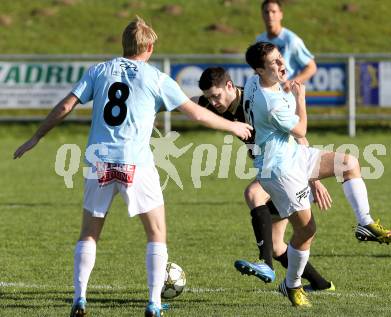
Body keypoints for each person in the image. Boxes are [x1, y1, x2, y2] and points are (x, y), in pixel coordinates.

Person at [13, 17, 252, 317]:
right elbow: (199, 116)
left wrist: (36, 136)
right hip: (135, 162)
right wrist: (234, 128)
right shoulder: (157, 78)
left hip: (99, 161)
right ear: (150, 47)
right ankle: (153, 303)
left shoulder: (99, 70)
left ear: (123, 45)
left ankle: (79, 299)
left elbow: (65, 106)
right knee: (156, 234)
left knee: (89, 233)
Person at [243, 42, 391, 307]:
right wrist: (300, 99)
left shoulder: (252, 82)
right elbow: (301, 129)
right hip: (281, 171)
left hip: (293, 155)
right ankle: (291, 286)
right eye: (274, 63)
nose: (282, 64)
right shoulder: (270, 104)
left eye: (280, 58)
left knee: (348, 163)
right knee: (307, 231)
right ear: (259, 70)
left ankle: (365, 223)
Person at [196, 66, 334, 292]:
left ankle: (265, 265)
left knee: (253, 193)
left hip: (286, 170)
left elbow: (298, 135)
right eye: (209, 98)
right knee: (278, 246)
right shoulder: (217, 103)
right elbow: (188, 103)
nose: (213, 103)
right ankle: (320, 284)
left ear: (230, 86)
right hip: (272, 175)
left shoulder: (256, 99)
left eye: (216, 96)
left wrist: (314, 179)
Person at [257, 0, 317, 89]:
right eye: (266, 12)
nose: (270, 15)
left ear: (281, 14)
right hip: (267, 93)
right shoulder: (260, 40)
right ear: (262, 15)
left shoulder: (292, 40)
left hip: (286, 95)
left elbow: (311, 67)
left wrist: (293, 82)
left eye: (273, 12)